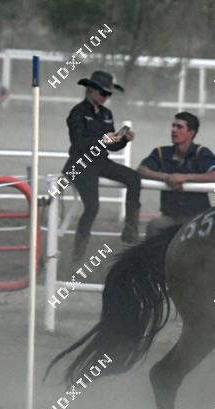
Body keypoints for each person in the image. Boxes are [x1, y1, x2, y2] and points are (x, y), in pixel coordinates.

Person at [63, 70, 141, 265]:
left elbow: (111, 145)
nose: (106, 97)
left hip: (100, 161)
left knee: (134, 178)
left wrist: (123, 139)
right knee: (92, 207)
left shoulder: (107, 114)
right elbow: (78, 142)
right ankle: (78, 254)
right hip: (81, 163)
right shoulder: (77, 112)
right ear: (91, 90)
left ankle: (130, 228)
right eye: (103, 93)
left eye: (109, 94)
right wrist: (102, 140)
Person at [137, 112, 215, 237]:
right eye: (173, 126)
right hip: (170, 217)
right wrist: (167, 178)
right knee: (154, 226)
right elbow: (141, 170)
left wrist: (185, 178)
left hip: (197, 217)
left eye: (179, 127)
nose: (174, 130)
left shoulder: (201, 153)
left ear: (191, 132)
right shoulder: (161, 152)